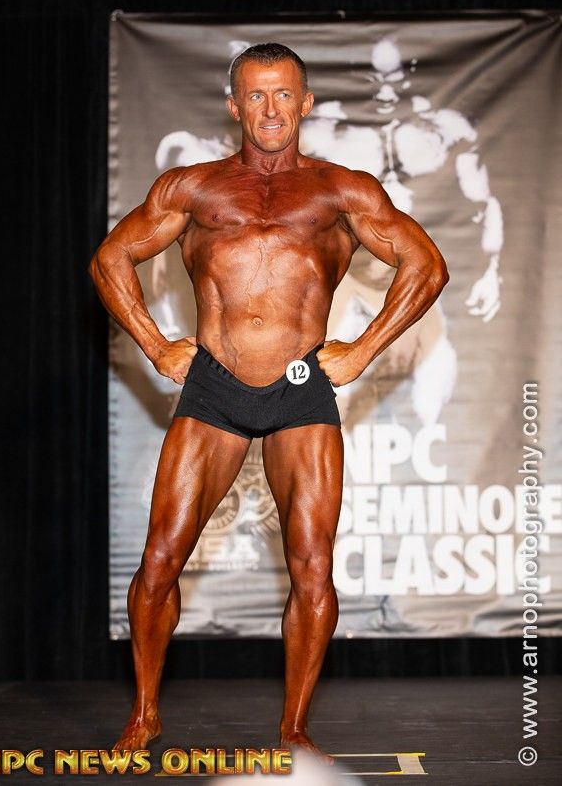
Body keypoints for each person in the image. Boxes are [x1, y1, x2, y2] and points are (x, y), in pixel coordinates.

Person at [89, 43, 449, 759]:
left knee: (312, 565)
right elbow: (109, 258)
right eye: (256, 95)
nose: (271, 108)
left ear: (306, 103)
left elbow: (427, 265)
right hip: (214, 386)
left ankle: (294, 728)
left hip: (300, 389)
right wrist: (157, 345)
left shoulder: (341, 191)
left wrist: (362, 349)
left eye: (284, 94)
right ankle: (146, 712)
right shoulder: (193, 188)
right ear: (234, 105)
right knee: (160, 558)